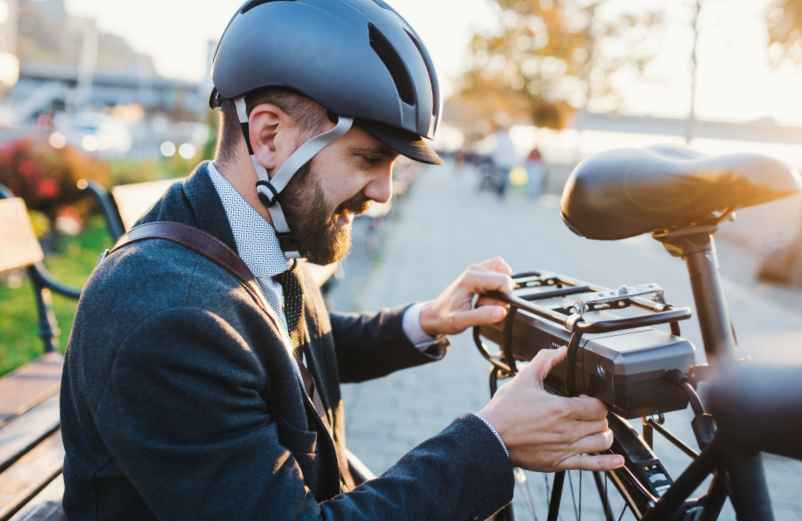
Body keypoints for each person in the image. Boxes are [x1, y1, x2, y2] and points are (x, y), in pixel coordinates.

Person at [60, 2, 623, 520]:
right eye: (369, 158)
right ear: (270, 137)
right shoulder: (167, 316)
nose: (384, 193)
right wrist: (492, 440)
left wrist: (422, 322)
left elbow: (278, 347)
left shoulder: (243, 234)